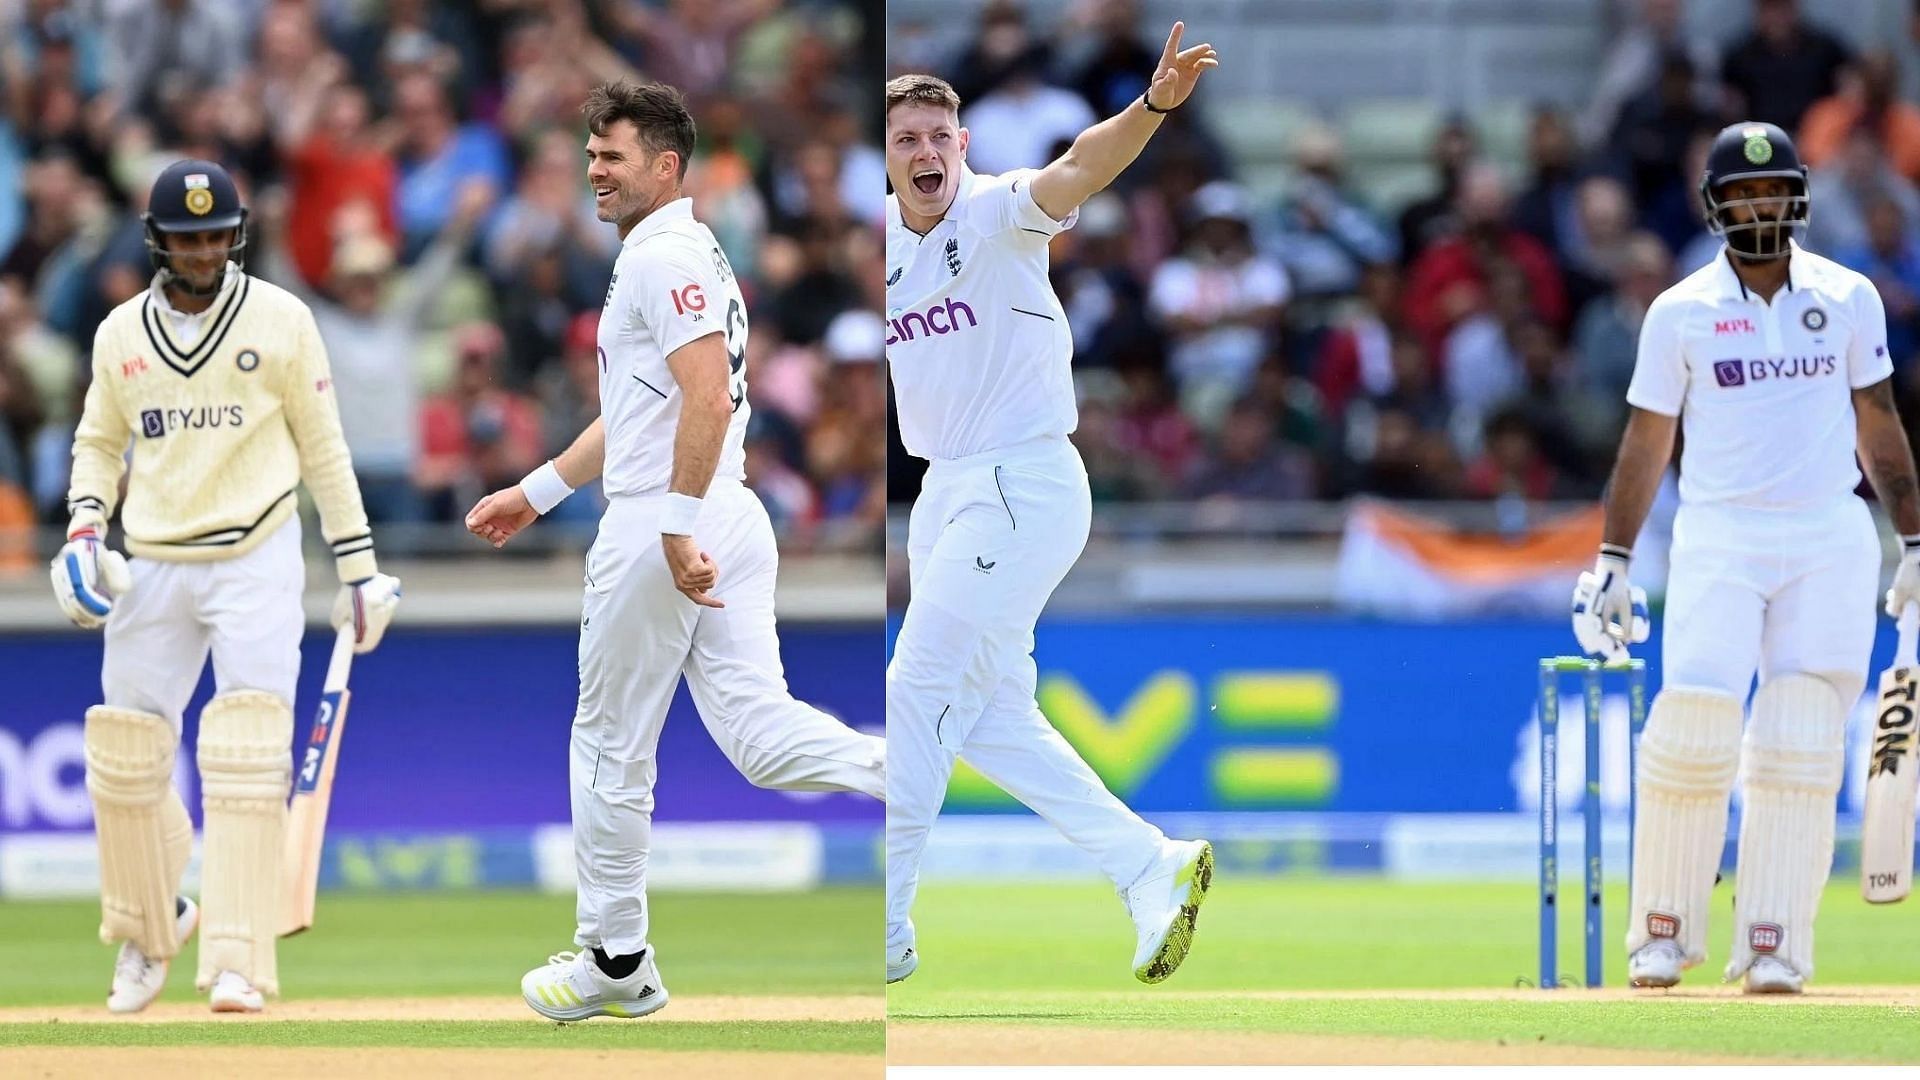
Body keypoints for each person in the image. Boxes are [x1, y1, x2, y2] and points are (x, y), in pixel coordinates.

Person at [461, 81, 885, 1022]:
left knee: (609, 742)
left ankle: (613, 957)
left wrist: (675, 522)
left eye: (611, 156)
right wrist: (537, 494)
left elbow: (709, 396)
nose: (593, 171)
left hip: (673, 516)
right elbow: (642, 409)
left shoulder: (664, 255)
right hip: (715, 509)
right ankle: (911, 772)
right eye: (590, 153)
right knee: (762, 740)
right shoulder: (676, 254)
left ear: (666, 165)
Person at [883, 23, 1218, 988]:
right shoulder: (885, 246)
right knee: (989, 719)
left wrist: (1150, 107)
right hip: (946, 489)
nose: (928, 151)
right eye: (908, 138)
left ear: (963, 148)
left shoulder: (994, 213)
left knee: (915, 686)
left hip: (1023, 479)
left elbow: (1079, 166)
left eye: (941, 136)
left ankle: (888, 931)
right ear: (890, 158)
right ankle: (1147, 865)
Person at [1571, 122, 1920, 993]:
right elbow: (1647, 441)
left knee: (1801, 735)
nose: (1759, 205)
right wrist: (1613, 557)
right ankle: (1663, 931)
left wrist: (1914, 539)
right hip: (1720, 533)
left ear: (1797, 196)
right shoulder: (1680, 310)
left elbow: (1879, 424)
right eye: (1743, 194)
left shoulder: (1848, 298)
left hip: (1826, 534)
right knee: (1692, 725)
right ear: (1716, 205)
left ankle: (1773, 943)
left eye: (1772, 192)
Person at [54, 159, 401, 1014]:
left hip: (257, 552)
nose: (203, 251)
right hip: (155, 558)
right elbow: (99, 444)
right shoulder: (119, 334)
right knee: (126, 757)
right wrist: (83, 529)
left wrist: (358, 568)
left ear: (236, 234)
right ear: (158, 242)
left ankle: (241, 958)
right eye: (187, 238)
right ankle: (150, 924)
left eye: (215, 235)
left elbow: (323, 447)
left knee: (248, 754)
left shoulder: (282, 320)